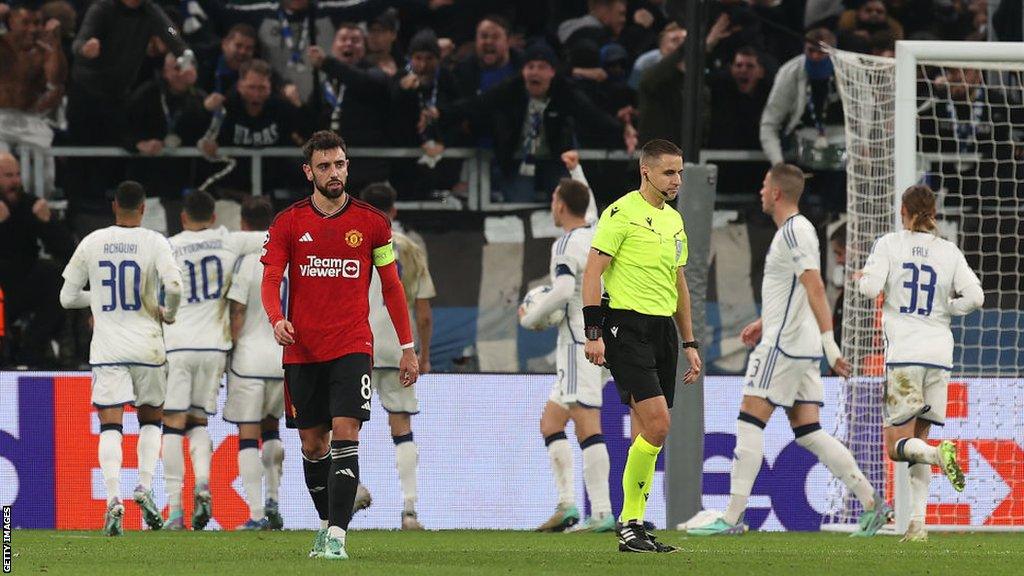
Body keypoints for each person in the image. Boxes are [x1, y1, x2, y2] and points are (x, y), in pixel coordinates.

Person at [687, 164, 889, 537]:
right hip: (798, 343)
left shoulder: (794, 231)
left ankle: (731, 518)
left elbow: (814, 287)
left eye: (764, 185)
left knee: (749, 420)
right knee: (809, 431)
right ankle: (872, 503)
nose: (761, 192)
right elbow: (798, 291)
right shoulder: (798, 232)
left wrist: (832, 348)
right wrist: (766, 321)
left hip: (784, 348)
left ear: (777, 193)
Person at [260, 130, 418, 560]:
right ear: (309, 171)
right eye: (325, 166)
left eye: (341, 164)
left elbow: (392, 288)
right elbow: (271, 278)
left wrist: (408, 346)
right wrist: (277, 320)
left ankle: (337, 538)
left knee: (347, 435)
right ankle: (328, 527)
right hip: (302, 351)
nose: (335, 172)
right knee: (313, 445)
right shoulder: (289, 222)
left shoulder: (372, 223)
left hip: (352, 346)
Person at [582, 139, 702, 553]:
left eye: (681, 172)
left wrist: (689, 340)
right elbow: (593, 272)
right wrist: (593, 332)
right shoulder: (619, 213)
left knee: (648, 429)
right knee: (658, 424)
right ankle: (629, 522)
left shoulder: (674, 222)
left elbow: (679, 282)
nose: (677, 179)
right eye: (669, 172)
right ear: (645, 171)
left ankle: (634, 526)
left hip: (662, 330)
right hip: (624, 327)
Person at [58, 180, 184, 536]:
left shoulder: (92, 242)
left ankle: (113, 498)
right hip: (147, 346)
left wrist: (97, 299)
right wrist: (168, 313)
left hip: (108, 348)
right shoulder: (155, 241)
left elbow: (67, 298)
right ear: (143, 208)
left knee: (110, 425)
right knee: (150, 420)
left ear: (115, 206)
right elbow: (174, 286)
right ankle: (144, 486)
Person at [856, 185, 981, 542]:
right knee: (919, 442)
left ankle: (940, 456)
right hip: (940, 354)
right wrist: (948, 309)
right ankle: (918, 525)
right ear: (934, 213)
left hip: (906, 355)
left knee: (897, 445)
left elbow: (869, 290)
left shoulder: (890, 244)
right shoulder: (949, 251)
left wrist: (864, 278)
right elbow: (976, 296)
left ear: (903, 211)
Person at [520, 151, 614, 533]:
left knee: (587, 423)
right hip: (601, 339)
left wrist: (531, 319)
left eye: (554, 201)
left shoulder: (565, 244)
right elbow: (588, 201)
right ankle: (567, 505)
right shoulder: (593, 231)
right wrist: (576, 170)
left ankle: (603, 512)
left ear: (559, 206)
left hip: (580, 342)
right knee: (551, 421)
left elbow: (560, 292)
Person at [160, 190, 265, 531]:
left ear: (183, 217)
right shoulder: (228, 241)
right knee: (199, 422)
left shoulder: (169, 246)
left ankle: (175, 510)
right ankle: (203, 483)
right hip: (214, 346)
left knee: (173, 423)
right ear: (214, 217)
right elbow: (271, 236)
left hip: (177, 344)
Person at [359, 182, 436, 531]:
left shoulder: (353, 241)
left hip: (357, 345)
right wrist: (423, 352)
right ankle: (409, 510)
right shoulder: (410, 248)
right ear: (394, 210)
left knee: (345, 423)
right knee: (402, 425)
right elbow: (423, 311)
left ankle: (352, 490)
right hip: (398, 347)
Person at [224, 196, 287, 531]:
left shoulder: (246, 262)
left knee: (248, 436)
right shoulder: (290, 259)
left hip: (249, 360)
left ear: (244, 224)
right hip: (284, 357)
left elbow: (236, 312)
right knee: (272, 427)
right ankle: (275, 499)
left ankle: (256, 513)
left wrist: (229, 351)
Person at [759, 28, 846, 213]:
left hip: (843, 150)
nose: (815, 56)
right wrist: (778, 164)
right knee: (796, 199)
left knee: (837, 200)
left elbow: (865, 118)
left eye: (821, 52)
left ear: (833, 51)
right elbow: (770, 122)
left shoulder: (851, 72)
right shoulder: (789, 72)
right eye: (810, 51)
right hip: (799, 147)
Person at [0, 152, 74, 367]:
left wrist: (48, 223)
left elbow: (68, 252)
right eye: (8, 176)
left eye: (17, 174)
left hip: (22, 280)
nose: (15, 181)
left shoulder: (29, 204)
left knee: (57, 276)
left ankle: (32, 348)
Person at [307, 24, 391, 190]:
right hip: (330, 169)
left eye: (355, 40)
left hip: (367, 168)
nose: (349, 44)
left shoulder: (374, 75)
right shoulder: (326, 83)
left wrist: (327, 63)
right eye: (343, 39)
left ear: (364, 48)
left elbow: (363, 83)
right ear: (334, 46)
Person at [0, 4, 66, 155]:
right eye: (25, 23)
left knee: (46, 174)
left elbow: (57, 81)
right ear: (11, 23)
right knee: (3, 166)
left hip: (30, 118)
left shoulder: (45, 52)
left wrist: (56, 43)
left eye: (37, 23)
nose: (32, 29)